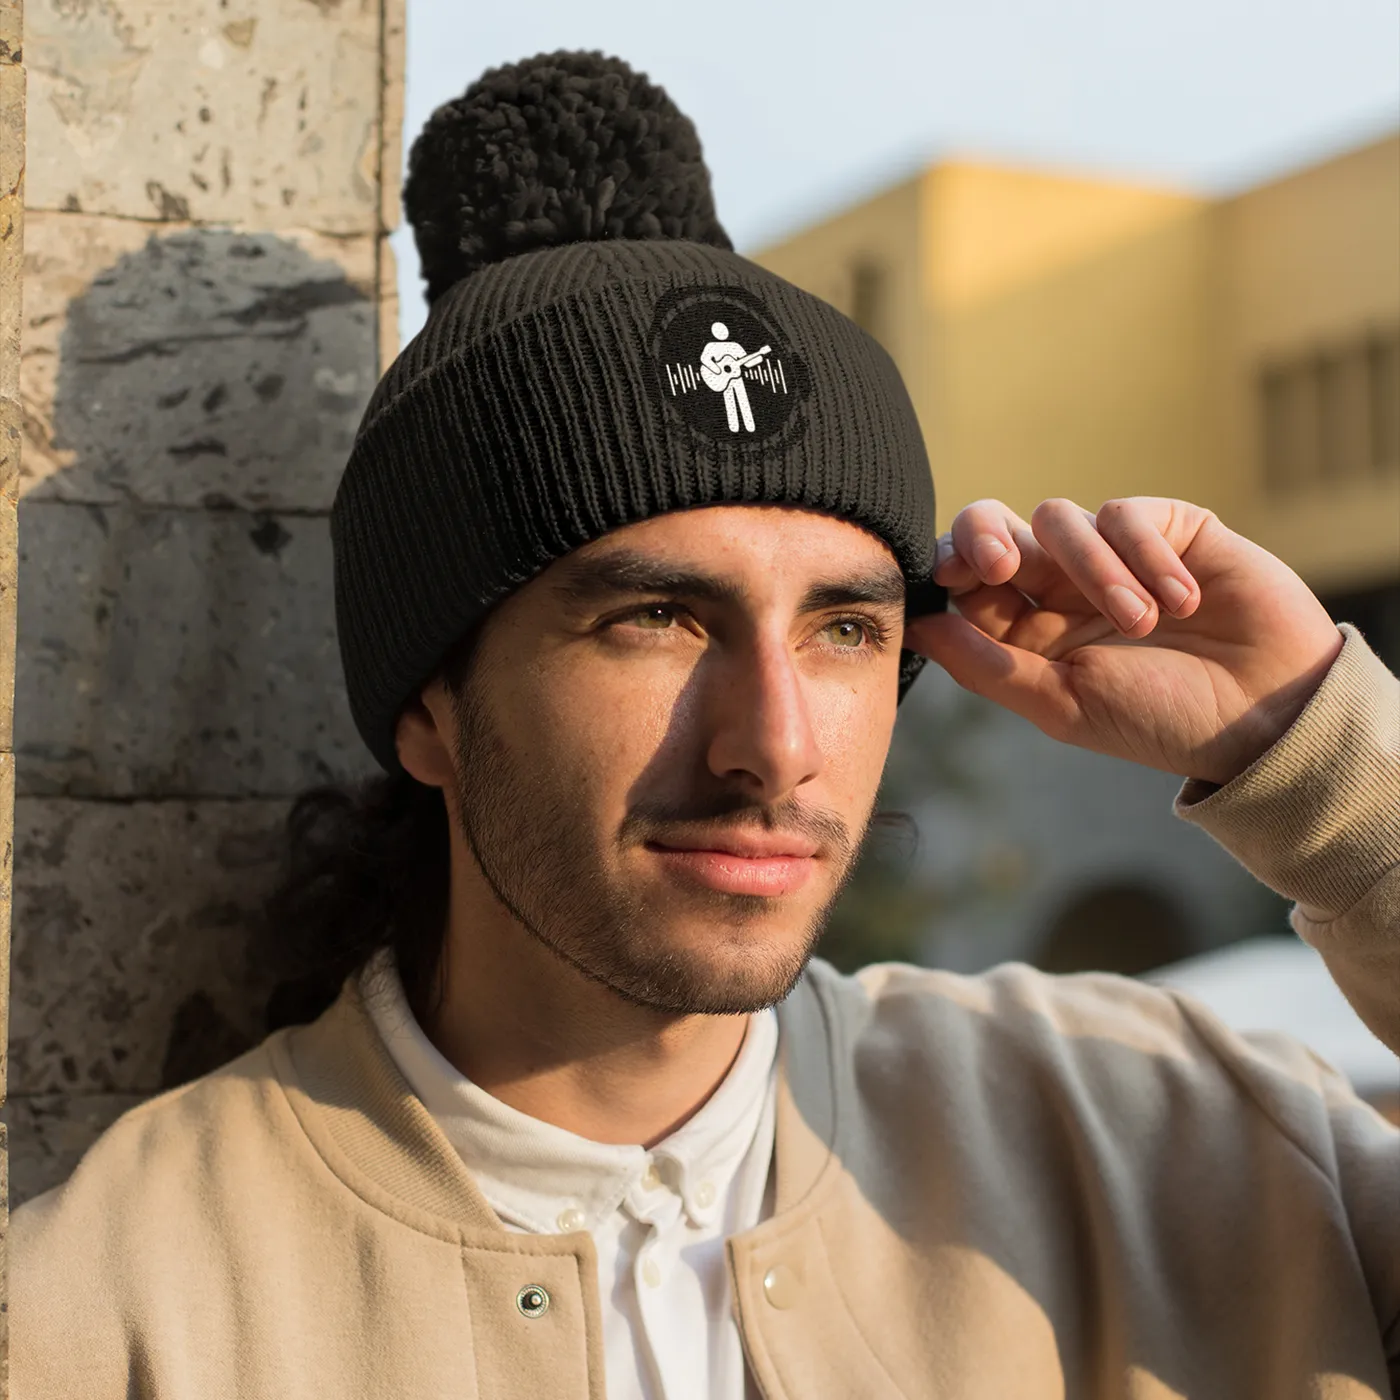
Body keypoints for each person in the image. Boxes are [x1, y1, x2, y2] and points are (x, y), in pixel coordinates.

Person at [11, 50, 1398, 1400]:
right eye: (656, 620)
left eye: (845, 628)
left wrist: (1334, 784)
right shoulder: (124, 1306)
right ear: (428, 708)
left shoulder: (1172, 1140)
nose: (775, 745)